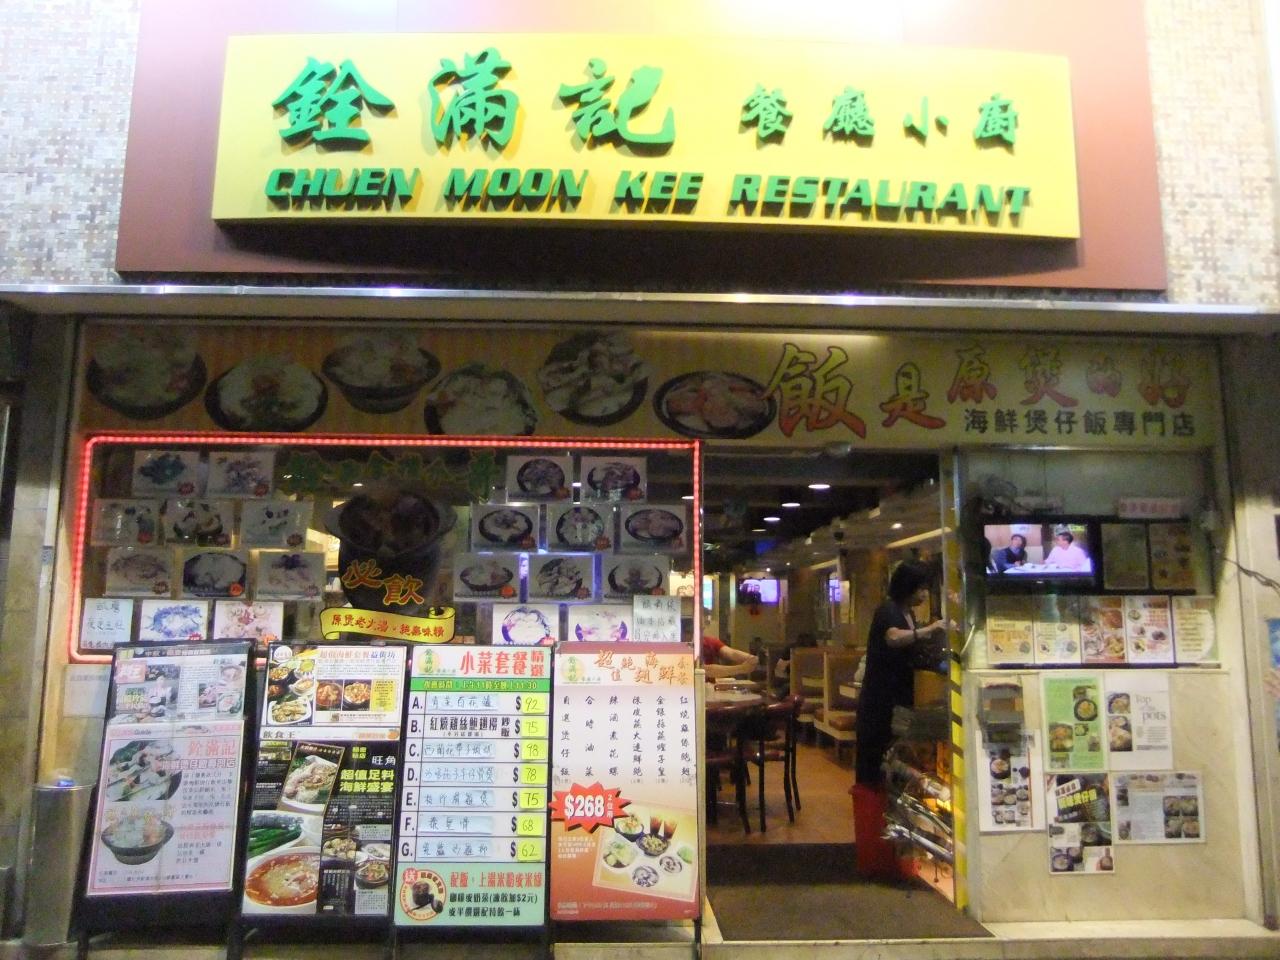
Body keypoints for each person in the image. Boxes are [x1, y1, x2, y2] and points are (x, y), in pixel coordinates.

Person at [854, 560, 951, 786]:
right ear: (907, 587)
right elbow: (893, 637)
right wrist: (930, 629)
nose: (925, 594)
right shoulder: (888, 610)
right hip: (880, 701)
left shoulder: (908, 614)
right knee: (876, 758)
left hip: (898, 699)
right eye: (921, 588)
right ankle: (872, 802)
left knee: (896, 758)